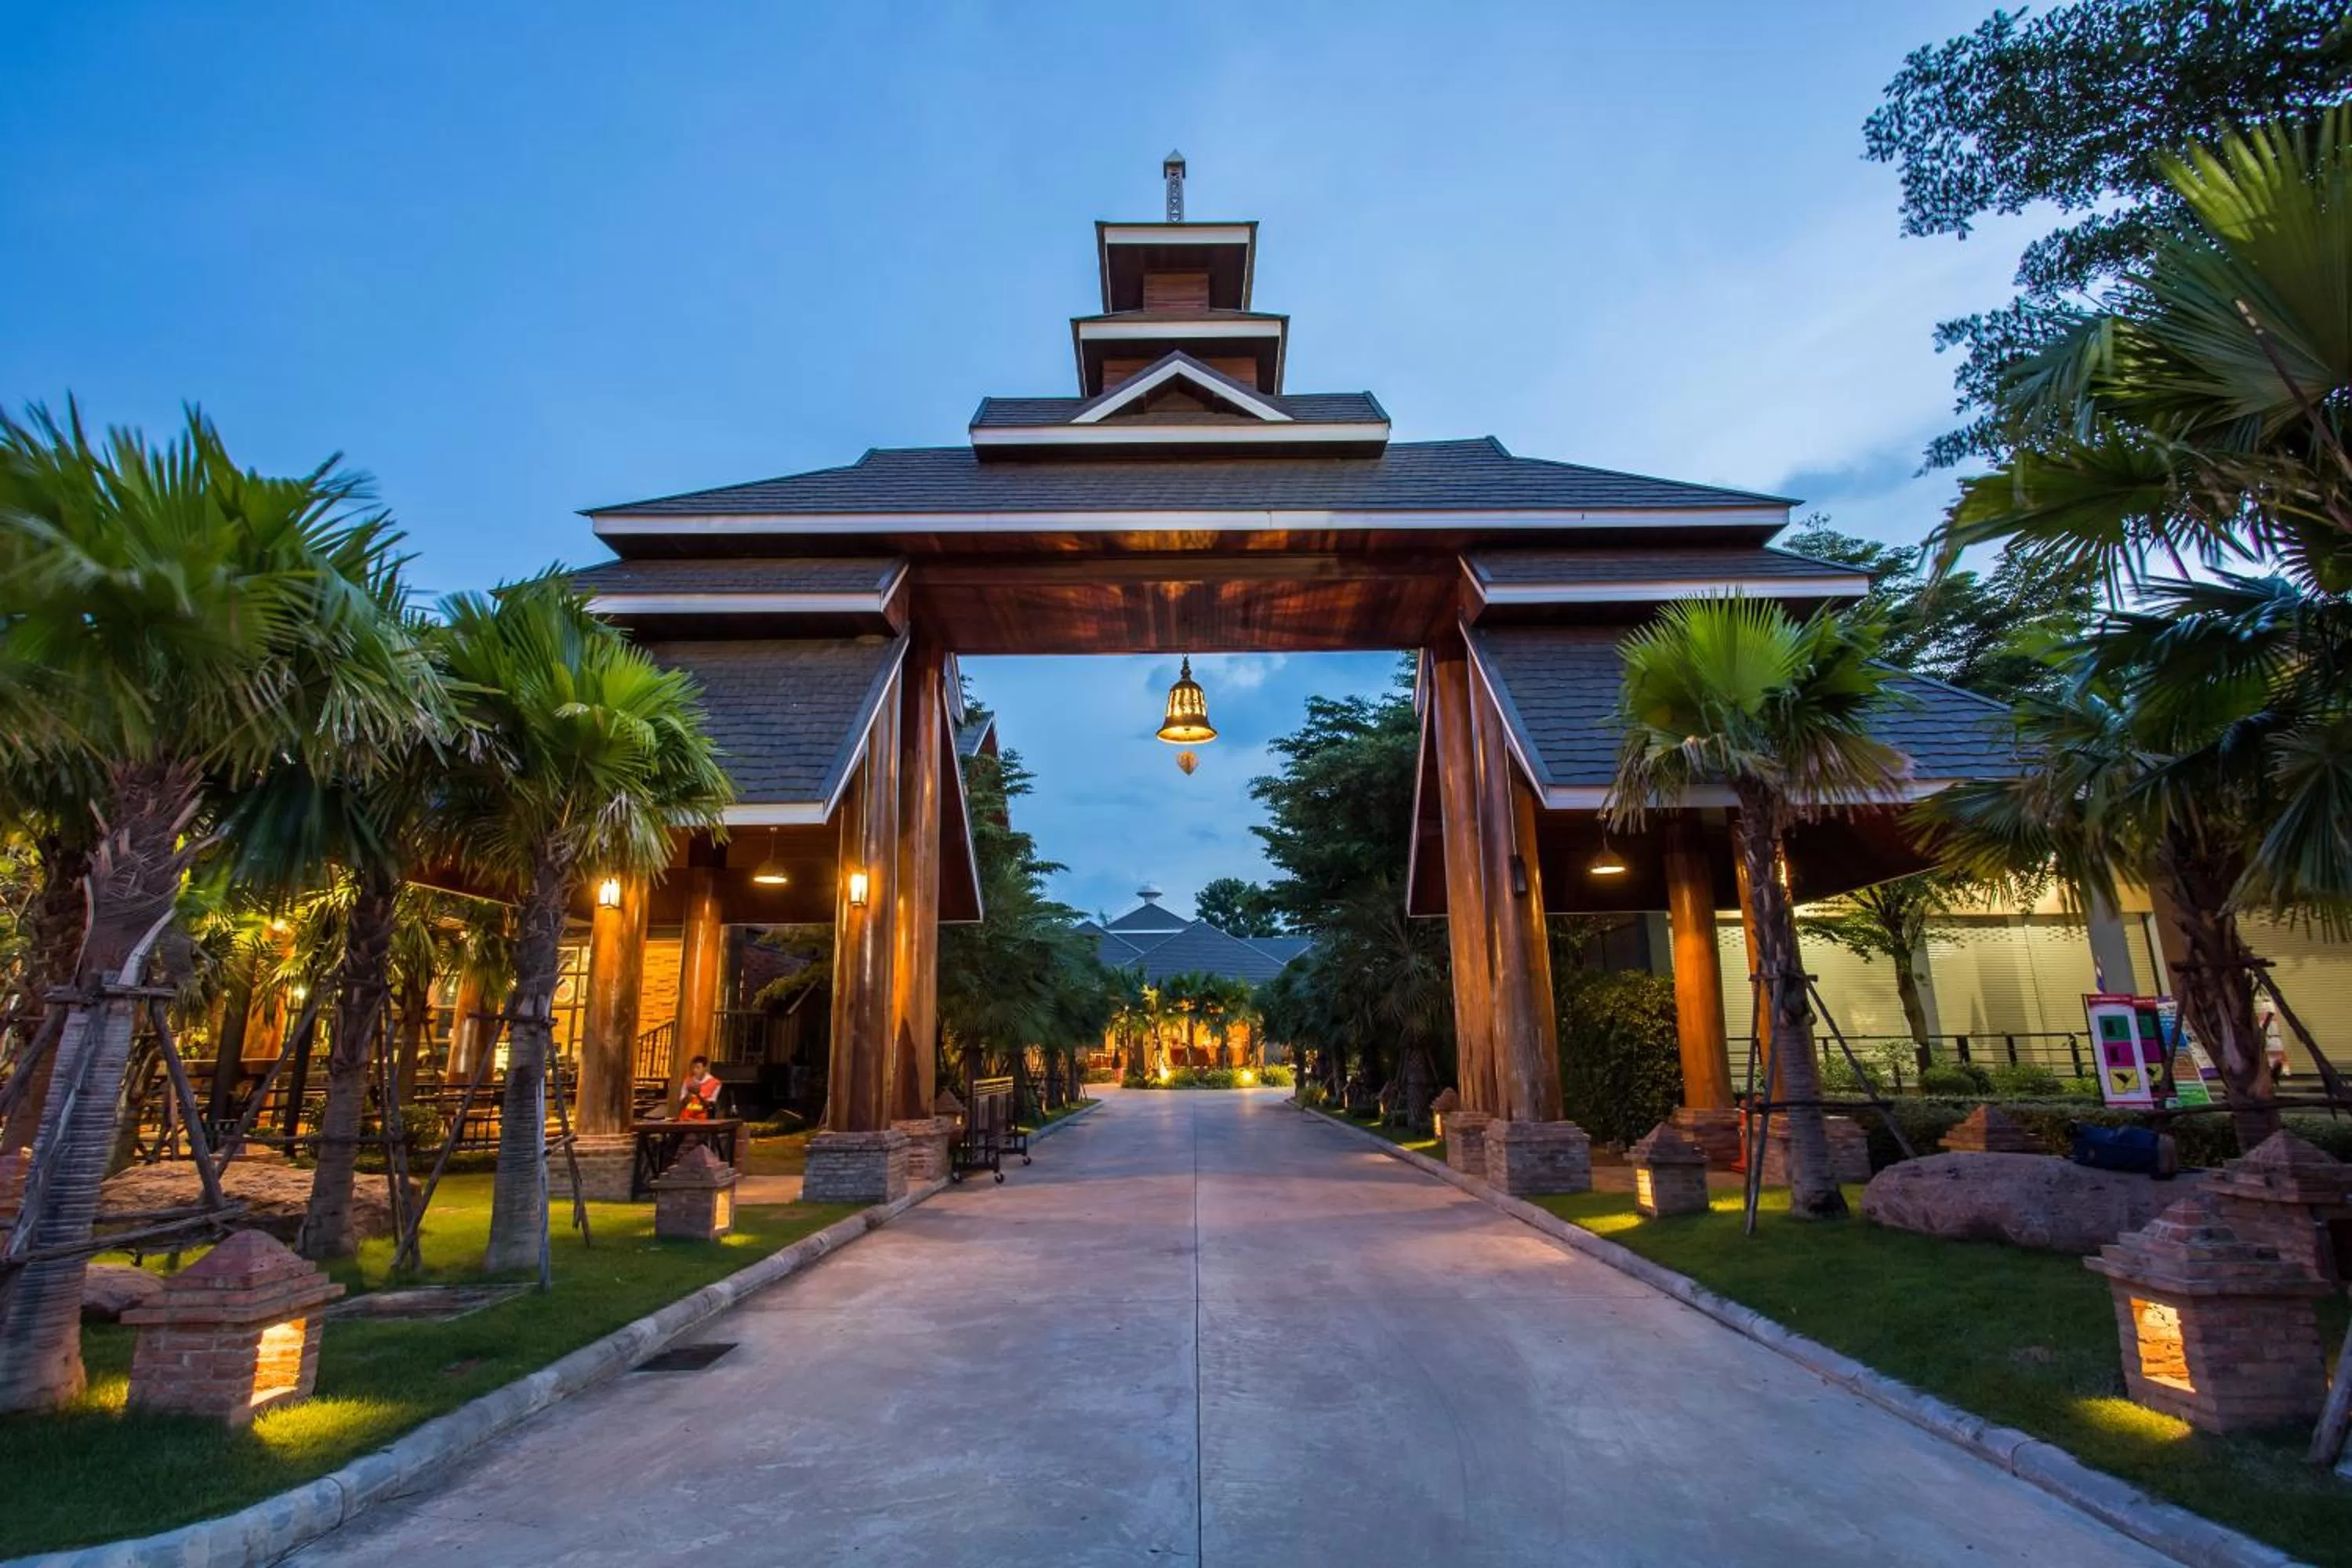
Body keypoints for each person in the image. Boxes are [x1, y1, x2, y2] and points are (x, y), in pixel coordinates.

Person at [677, 1056, 724, 1120]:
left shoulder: (715, 1083)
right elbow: (683, 1102)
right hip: (686, 1117)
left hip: (703, 1118)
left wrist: (698, 1094)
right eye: (693, 1068)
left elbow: (710, 1105)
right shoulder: (687, 1081)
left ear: (705, 1068)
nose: (695, 1070)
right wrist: (688, 1094)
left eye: (698, 1068)